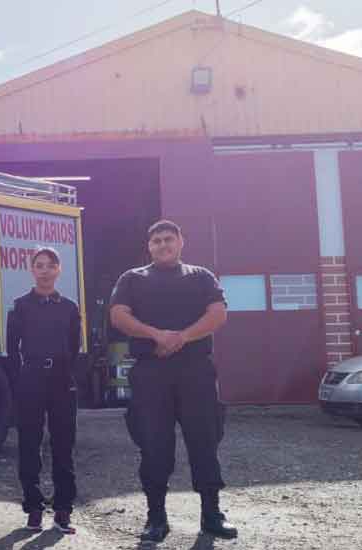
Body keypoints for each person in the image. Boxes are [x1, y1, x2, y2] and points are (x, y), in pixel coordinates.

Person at [109, 220, 238, 543]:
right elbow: (119, 315)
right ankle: (156, 518)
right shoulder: (133, 279)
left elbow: (218, 313)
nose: (162, 245)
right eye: (156, 240)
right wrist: (157, 335)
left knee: (205, 442)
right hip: (151, 371)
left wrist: (182, 337)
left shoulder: (201, 277)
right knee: (153, 445)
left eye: (168, 239)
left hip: (195, 370)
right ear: (149, 245)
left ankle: (211, 515)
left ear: (181, 242)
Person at [6, 247, 81, 534]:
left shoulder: (69, 308)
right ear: (32, 270)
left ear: (58, 270)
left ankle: (63, 510)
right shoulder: (20, 306)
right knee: (29, 444)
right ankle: (34, 508)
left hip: (62, 380)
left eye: (50, 265)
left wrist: (67, 372)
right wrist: (20, 379)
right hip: (31, 380)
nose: (45, 270)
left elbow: (75, 346)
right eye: (39, 265)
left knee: (63, 445)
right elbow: (12, 348)